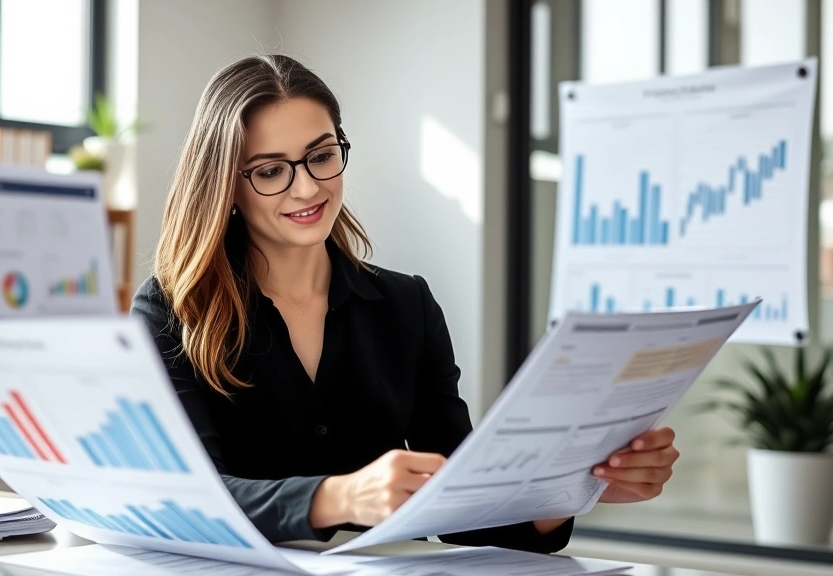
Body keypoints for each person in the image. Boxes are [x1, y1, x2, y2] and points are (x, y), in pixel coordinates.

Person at [131, 54, 679, 553]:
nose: (307, 189)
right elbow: (189, 500)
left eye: (322, 156)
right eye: (271, 171)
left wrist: (575, 485)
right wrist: (340, 498)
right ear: (227, 182)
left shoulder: (405, 306)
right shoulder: (170, 313)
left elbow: (463, 508)